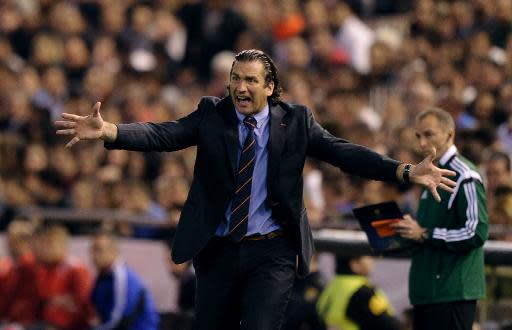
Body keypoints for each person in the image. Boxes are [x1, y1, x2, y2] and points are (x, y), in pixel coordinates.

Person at [56, 49, 456, 330]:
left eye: (250, 80)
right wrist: (111, 130)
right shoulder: (212, 114)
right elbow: (166, 133)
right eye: (235, 79)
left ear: (270, 87)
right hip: (218, 248)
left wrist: (403, 171)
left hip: (272, 250)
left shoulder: (296, 121)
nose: (240, 87)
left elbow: (343, 153)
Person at [392, 107, 488, 330]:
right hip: (428, 290)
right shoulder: (428, 175)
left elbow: (476, 231)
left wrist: (425, 233)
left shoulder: (465, 175)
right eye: (419, 136)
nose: (423, 143)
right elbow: (425, 231)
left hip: (452, 290)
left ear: (450, 134)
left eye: (429, 134)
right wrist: (404, 233)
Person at [90, 230, 160, 330]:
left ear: (113, 251)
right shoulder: (102, 276)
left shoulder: (123, 278)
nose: (94, 255)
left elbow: (120, 320)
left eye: (99, 250)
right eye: (92, 250)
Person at [33, 224, 94, 330]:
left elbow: (86, 306)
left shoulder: (76, 269)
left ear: (62, 246)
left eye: (50, 245)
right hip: (46, 324)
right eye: (44, 245)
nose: (45, 250)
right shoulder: (44, 269)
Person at [316, 255, 400, 330]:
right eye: (367, 256)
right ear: (355, 264)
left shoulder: (331, 287)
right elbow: (388, 324)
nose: (371, 260)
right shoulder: (361, 291)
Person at [0, 219, 38, 326]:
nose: (9, 243)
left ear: (27, 242)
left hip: (25, 323)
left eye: (15, 240)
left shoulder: (32, 266)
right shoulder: (7, 265)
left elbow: (28, 301)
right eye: (9, 238)